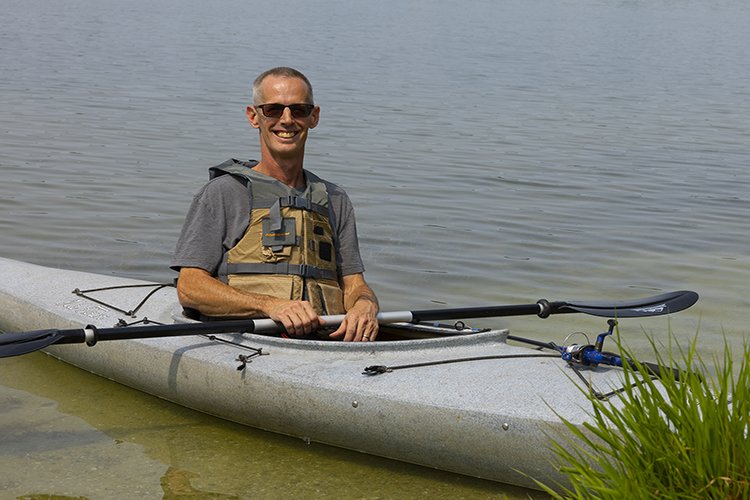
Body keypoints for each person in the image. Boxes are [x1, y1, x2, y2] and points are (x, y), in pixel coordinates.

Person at [171, 67, 379, 342]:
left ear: (314, 117)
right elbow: (190, 287)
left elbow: (354, 285)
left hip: (324, 341)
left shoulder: (335, 199)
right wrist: (271, 305)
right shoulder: (223, 193)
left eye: (299, 110)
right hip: (248, 341)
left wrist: (366, 305)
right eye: (273, 110)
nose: (287, 119)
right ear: (253, 116)